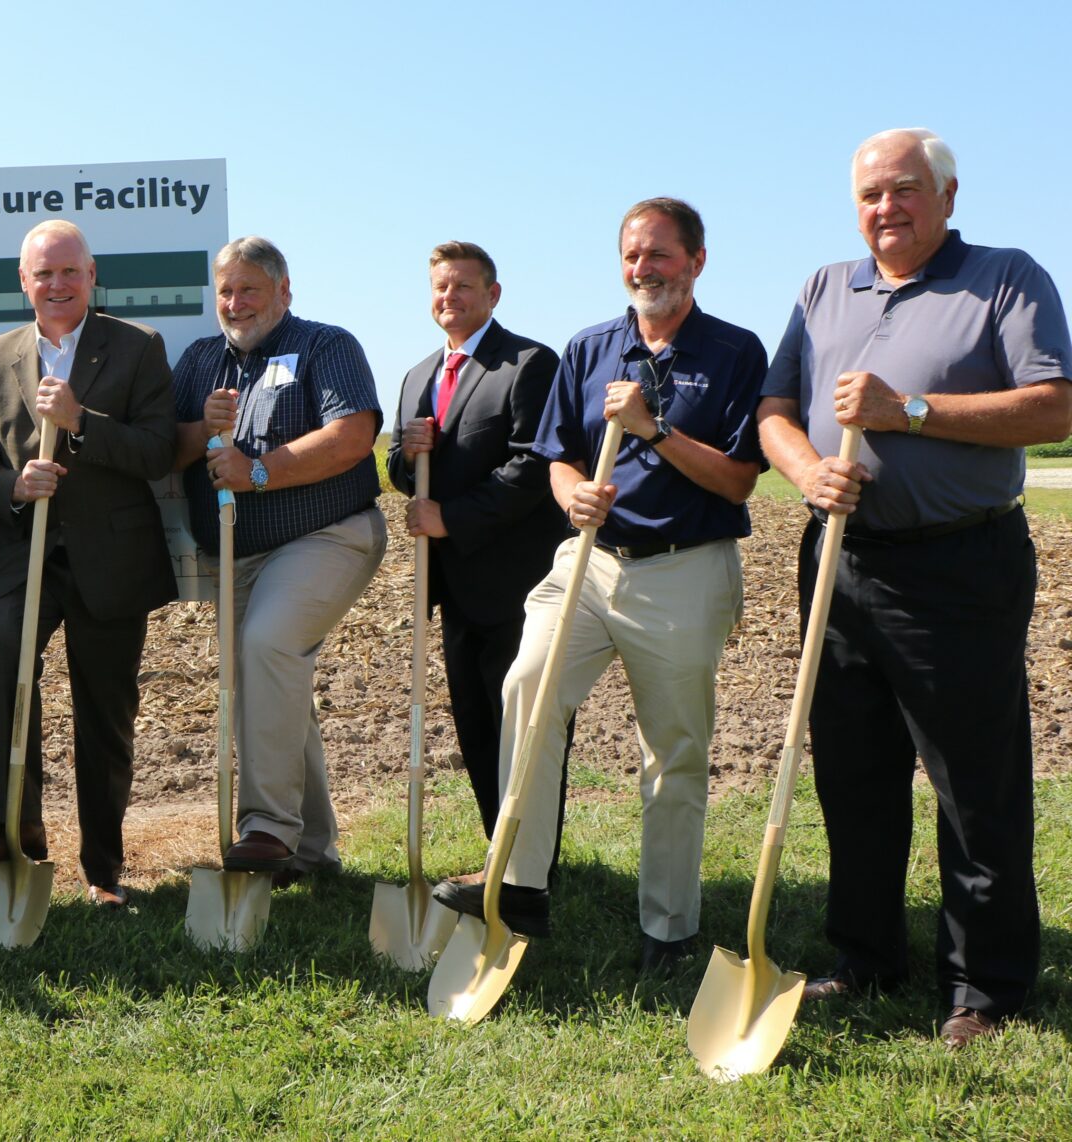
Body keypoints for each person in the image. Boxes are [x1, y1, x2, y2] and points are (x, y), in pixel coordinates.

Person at [757, 128, 1072, 1048]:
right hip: (841, 560)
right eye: (868, 196)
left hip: (958, 567)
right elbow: (776, 411)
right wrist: (809, 470)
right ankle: (864, 957)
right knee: (853, 773)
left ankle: (986, 985)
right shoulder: (823, 287)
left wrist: (911, 412)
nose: (883, 209)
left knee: (973, 781)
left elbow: (1055, 404)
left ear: (947, 195)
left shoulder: (1007, 278)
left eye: (903, 191)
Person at [430, 199, 767, 974]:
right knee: (526, 689)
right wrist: (571, 492)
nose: (643, 268)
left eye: (660, 254)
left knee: (672, 752)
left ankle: (669, 928)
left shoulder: (735, 351)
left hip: (684, 568)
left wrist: (654, 429)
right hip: (589, 563)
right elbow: (557, 457)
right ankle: (521, 886)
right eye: (632, 255)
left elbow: (741, 481)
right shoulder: (591, 347)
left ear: (697, 261)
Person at [0, 220, 178, 908]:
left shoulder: (138, 348)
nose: (57, 285)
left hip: (113, 557)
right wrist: (13, 487)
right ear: (24, 282)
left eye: (69, 272)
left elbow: (158, 451)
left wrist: (83, 421)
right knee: (0, 664)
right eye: (43, 274)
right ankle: (15, 826)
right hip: (27, 552)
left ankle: (103, 867)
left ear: (91, 277)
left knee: (104, 710)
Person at [172, 235, 386, 885]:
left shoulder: (326, 345)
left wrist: (257, 470)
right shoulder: (201, 360)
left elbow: (352, 436)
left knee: (266, 646)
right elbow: (163, 448)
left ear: (283, 293)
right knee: (271, 685)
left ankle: (265, 827)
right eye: (226, 291)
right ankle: (314, 851)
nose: (236, 303)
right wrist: (199, 431)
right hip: (237, 555)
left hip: (327, 536)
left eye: (250, 290)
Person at [388, 240, 568, 838]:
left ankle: (532, 860)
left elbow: (532, 468)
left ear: (493, 294)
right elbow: (396, 465)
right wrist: (405, 455)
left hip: (520, 586)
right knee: (474, 722)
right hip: (452, 587)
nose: (450, 296)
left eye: (464, 286)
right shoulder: (418, 375)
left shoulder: (528, 364)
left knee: (523, 726)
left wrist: (451, 518)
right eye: (441, 286)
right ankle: (501, 850)